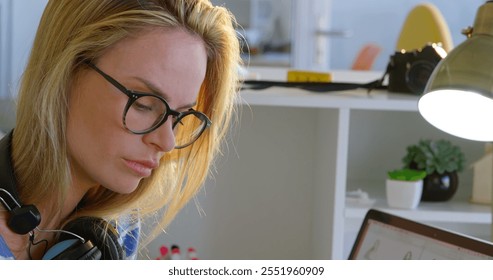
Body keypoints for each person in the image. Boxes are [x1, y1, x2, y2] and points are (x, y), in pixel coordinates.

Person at [0, 0, 241, 260]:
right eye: (144, 104)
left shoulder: (115, 230)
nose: (167, 141)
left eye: (180, 117)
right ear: (65, 73)